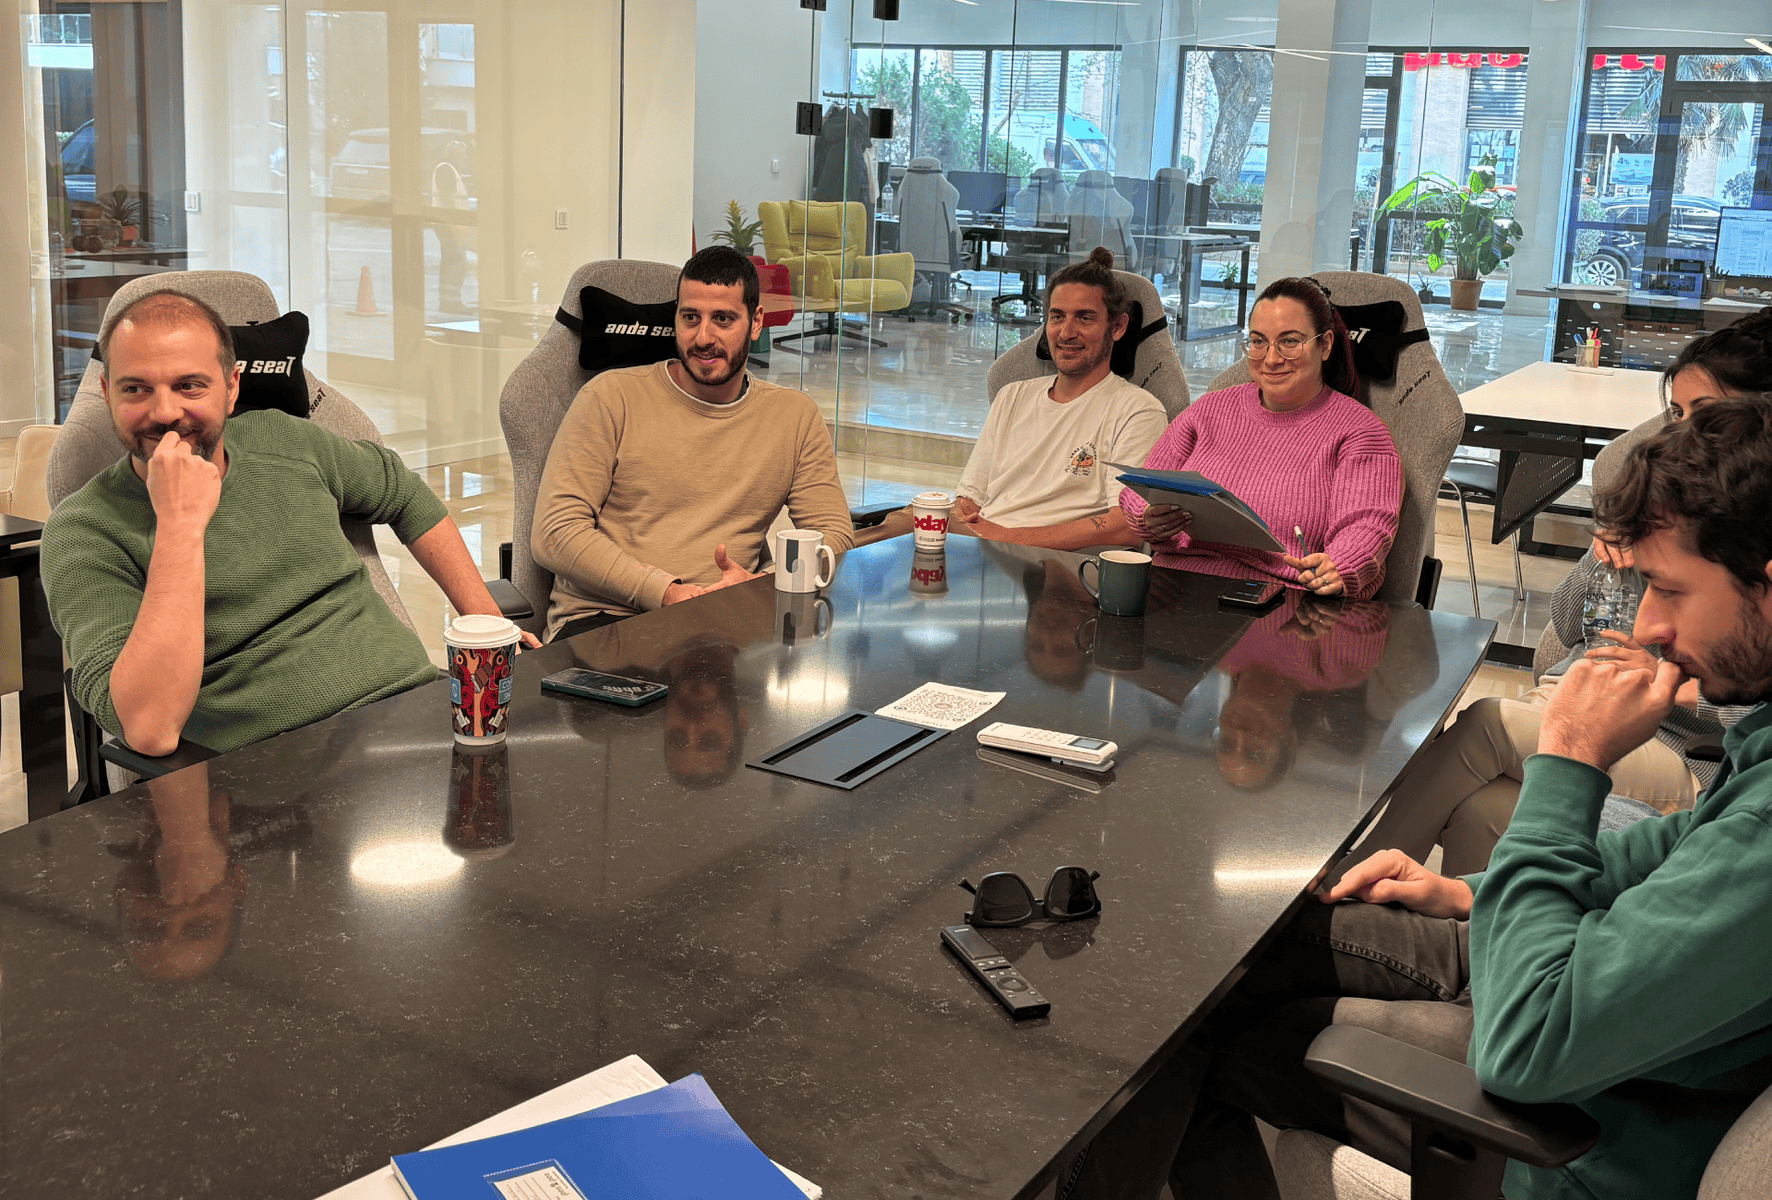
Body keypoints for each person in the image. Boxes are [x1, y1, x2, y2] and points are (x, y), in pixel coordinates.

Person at [1061, 397, 1772, 1200]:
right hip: (1570, 982)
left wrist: (1570, 762)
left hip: (1575, 1118)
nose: (1646, 626)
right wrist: (1467, 892)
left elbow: (1526, 1045)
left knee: (1190, 1028)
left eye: (1670, 590)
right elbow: (1673, 850)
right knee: (1202, 955)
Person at [1343, 328, 1772, 877]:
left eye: (1703, 413)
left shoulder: (1738, 544)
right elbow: (1567, 627)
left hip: (1680, 748)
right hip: (1579, 694)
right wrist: (1602, 550)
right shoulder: (1668, 506)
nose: (1680, 431)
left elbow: (1751, 703)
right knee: (1480, 811)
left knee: (1484, 723)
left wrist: (1667, 685)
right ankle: (1449, 927)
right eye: (1676, 412)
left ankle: (1354, 881)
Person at [42, 290, 530, 758]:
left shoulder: (283, 438)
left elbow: (402, 493)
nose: (165, 412)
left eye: (189, 385)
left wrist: (489, 626)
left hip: (413, 715)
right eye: (136, 389)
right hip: (271, 770)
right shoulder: (82, 531)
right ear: (106, 393)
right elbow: (149, 728)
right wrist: (179, 525)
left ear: (231, 388)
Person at [532, 246, 855, 642]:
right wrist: (667, 593)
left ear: (755, 322)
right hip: (608, 622)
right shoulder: (610, 397)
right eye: (690, 318)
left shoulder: (793, 416)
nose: (703, 337)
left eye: (723, 319)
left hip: (728, 624)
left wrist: (762, 584)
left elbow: (833, 536)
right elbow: (556, 532)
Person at [1121, 276, 1401, 600]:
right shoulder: (1209, 409)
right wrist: (1148, 516)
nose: (1271, 358)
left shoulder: (1360, 431)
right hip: (1173, 587)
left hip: (1281, 601)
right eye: (1258, 341)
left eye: (1290, 341)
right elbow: (1143, 486)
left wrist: (1341, 564)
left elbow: (1367, 524)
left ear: (1325, 345)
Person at [953, 248, 1166, 551]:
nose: (1066, 332)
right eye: (1057, 317)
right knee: (908, 521)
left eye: (1084, 318)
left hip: (1052, 564)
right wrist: (964, 522)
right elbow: (968, 500)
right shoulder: (1012, 395)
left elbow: (1124, 527)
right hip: (981, 552)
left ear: (1117, 327)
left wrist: (1001, 537)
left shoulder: (1138, 411)